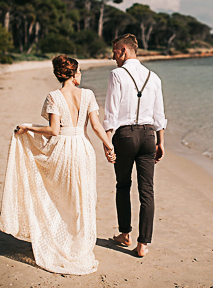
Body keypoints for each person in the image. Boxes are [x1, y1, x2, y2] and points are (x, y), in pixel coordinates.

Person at [0, 55, 115, 275]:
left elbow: (53, 130)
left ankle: (59, 242)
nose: (81, 74)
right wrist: (109, 146)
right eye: (79, 71)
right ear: (73, 74)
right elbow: (97, 127)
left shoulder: (53, 96)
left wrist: (29, 127)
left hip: (63, 150)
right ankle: (79, 245)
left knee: (59, 197)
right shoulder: (88, 94)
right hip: (83, 149)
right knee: (82, 199)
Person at [103, 34, 167, 257]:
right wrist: (161, 142)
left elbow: (111, 112)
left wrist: (107, 142)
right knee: (147, 191)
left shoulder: (117, 75)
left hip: (125, 136)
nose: (113, 57)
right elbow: (159, 114)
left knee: (123, 185)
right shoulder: (154, 77)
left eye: (114, 52)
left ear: (123, 50)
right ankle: (143, 244)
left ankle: (125, 234)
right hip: (149, 135)